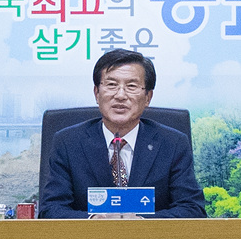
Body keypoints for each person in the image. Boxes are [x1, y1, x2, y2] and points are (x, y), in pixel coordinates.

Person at [37, 48, 206, 217]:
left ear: (148, 97)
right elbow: (50, 210)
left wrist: (140, 222)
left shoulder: (172, 144)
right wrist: (94, 221)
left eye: (131, 86)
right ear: (97, 93)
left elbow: (192, 209)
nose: (120, 95)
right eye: (111, 85)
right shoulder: (68, 143)